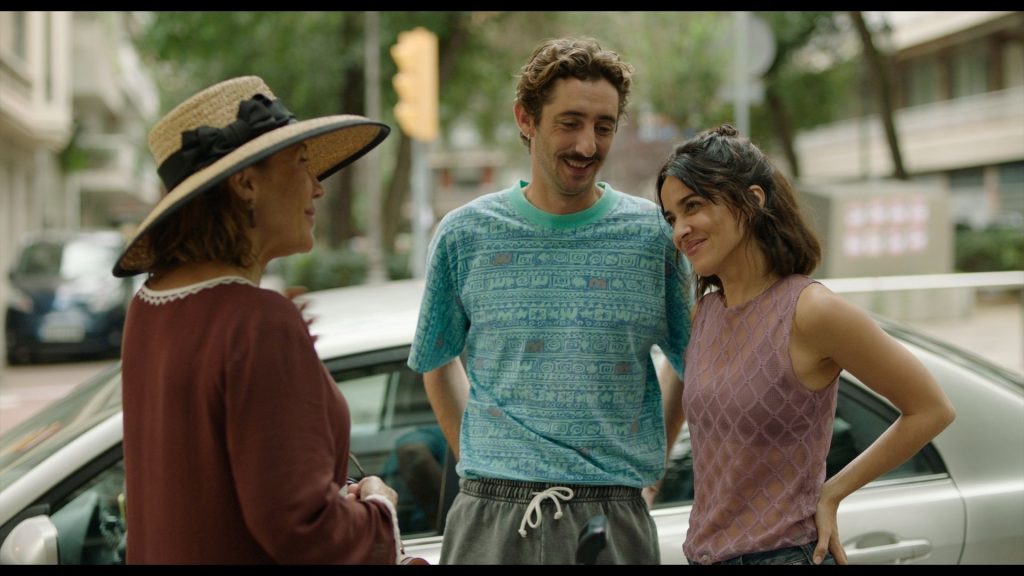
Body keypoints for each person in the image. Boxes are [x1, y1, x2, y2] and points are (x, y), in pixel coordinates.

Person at [407, 36, 691, 564]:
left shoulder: (655, 238)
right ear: (526, 118)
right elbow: (436, 359)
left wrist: (647, 480)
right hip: (490, 518)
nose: (587, 145)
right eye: (570, 122)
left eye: (603, 126)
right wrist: (484, 460)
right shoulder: (464, 235)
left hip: (613, 518)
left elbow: (691, 363)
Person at [113, 75, 403, 564]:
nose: (318, 187)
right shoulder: (259, 322)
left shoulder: (148, 307)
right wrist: (378, 507)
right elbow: (304, 529)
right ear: (246, 184)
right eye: (302, 163)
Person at [655, 123, 956, 566]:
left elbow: (931, 409)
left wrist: (833, 492)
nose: (680, 230)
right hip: (703, 554)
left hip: (786, 554)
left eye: (693, 206)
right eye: (671, 218)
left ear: (753, 200)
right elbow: (679, 413)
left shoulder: (811, 310)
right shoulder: (704, 314)